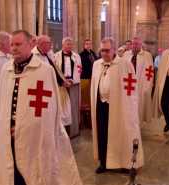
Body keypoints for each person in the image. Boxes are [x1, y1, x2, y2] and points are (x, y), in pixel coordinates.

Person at [0, 30, 83, 185]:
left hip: (37, 135)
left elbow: (48, 108)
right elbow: (2, 104)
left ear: (29, 44)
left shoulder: (43, 70)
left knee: (45, 168)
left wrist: (27, 128)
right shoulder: (6, 69)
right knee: (14, 180)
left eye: (18, 44)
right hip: (10, 138)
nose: (14, 48)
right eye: (12, 45)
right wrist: (5, 126)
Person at [91, 37, 144, 174]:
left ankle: (123, 163)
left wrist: (129, 108)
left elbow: (131, 88)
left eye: (107, 50)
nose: (104, 53)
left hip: (119, 106)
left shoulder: (125, 65)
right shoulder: (96, 64)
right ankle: (103, 163)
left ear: (114, 49)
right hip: (101, 105)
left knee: (120, 134)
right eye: (102, 50)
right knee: (102, 134)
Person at [124, 37, 154, 123]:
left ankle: (137, 125)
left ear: (141, 45)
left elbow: (149, 72)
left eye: (137, 44)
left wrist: (147, 87)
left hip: (141, 85)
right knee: (128, 106)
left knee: (139, 106)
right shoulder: (126, 54)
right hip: (128, 85)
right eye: (133, 44)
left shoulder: (147, 55)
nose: (134, 46)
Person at [55, 37, 82, 127]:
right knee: (62, 107)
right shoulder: (56, 56)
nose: (70, 46)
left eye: (71, 44)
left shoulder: (76, 56)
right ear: (63, 45)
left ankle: (74, 128)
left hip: (73, 84)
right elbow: (55, 70)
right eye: (68, 44)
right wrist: (63, 81)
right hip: (61, 85)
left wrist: (73, 80)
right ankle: (61, 126)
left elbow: (79, 69)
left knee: (73, 107)